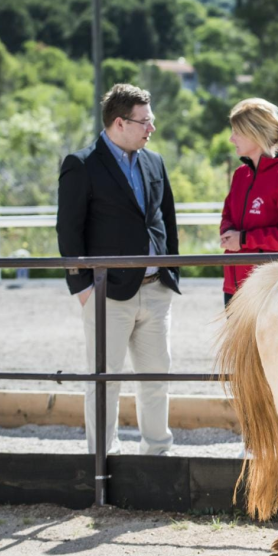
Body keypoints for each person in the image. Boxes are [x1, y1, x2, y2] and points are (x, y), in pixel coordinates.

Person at [56, 83, 179, 456]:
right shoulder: (81, 164)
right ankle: (102, 459)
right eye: (145, 121)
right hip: (105, 292)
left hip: (156, 289)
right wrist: (82, 289)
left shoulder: (154, 161)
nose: (151, 128)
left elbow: (165, 219)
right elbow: (68, 229)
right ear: (120, 122)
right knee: (104, 381)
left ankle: (158, 454)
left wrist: (171, 269)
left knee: (157, 378)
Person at [220, 98, 278, 306]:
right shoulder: (240, 175)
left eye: (237, 132)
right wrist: (228, 233)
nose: (231, 139)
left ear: (255, 134)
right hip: (233, 285)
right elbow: (228, 215)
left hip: (270, 289)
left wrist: (243, 240)